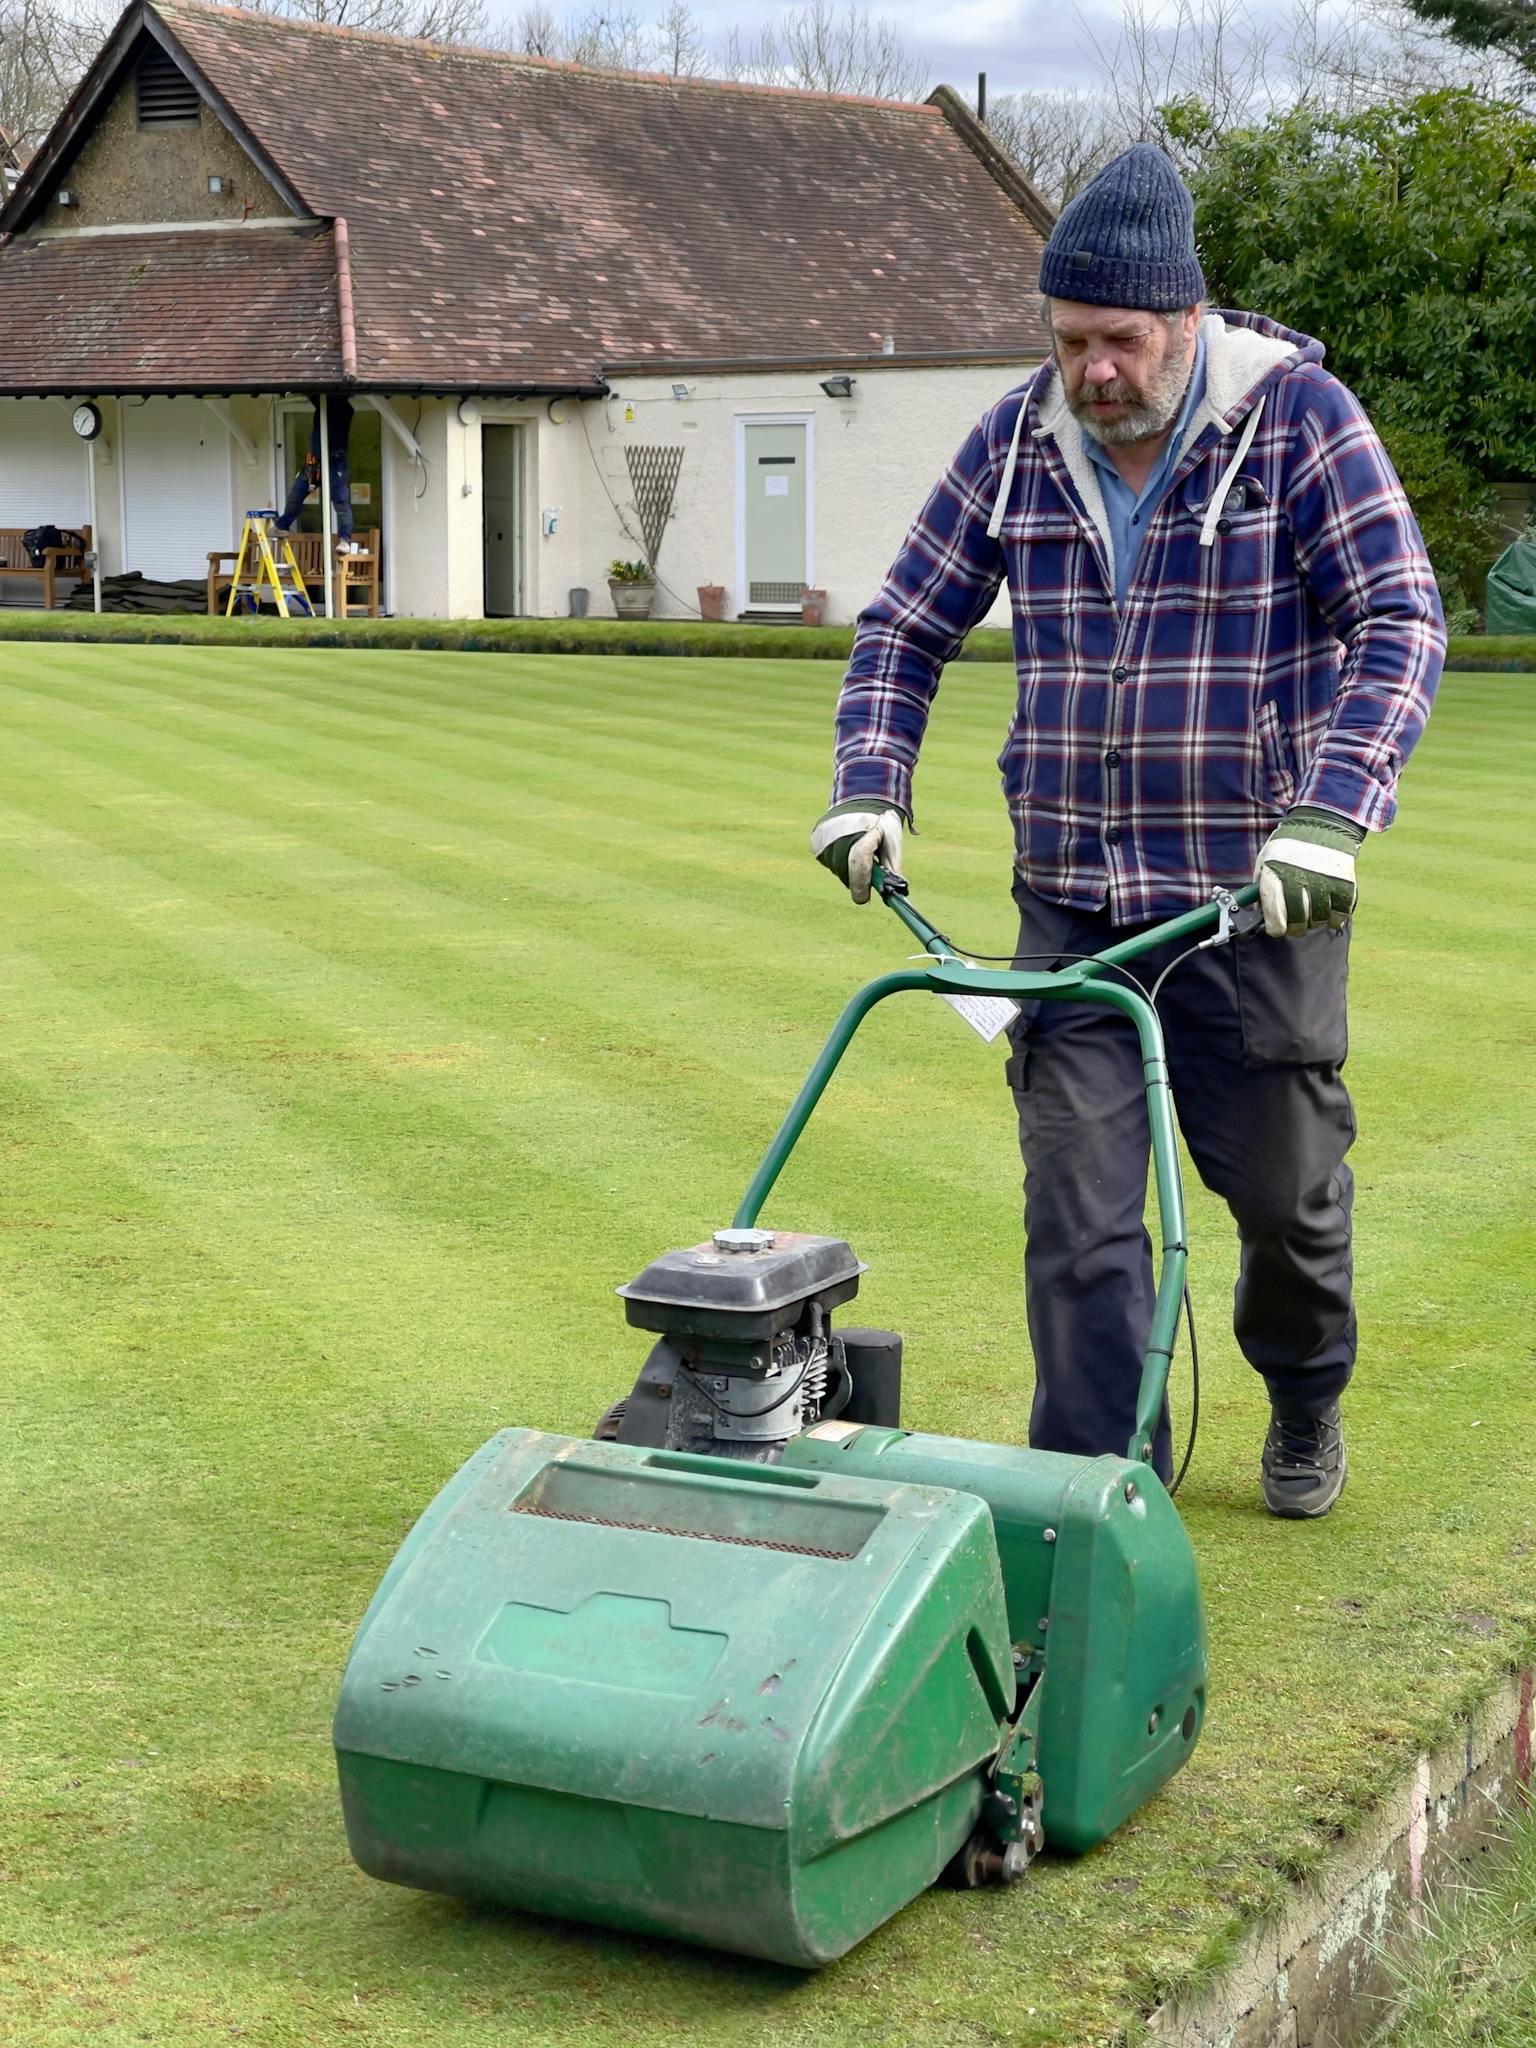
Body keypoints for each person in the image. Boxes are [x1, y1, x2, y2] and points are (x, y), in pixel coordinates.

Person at [811, 145, 1444, 1518]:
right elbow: (906, 622)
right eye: (1068, 339)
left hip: (1247, 908)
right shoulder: (1020, 440)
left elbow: (1399, 619)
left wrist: (1330, 817)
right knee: (1082, 1230)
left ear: (1187, 321)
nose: (1092, 371)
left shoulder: (1298, 422)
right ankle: (1103, 1511)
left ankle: (1304, 1391)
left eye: (1120, 341)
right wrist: (871, 781)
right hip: (1079, 913)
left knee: (1286, 1203)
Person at [275, 394, 365, 555]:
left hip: (335, 462)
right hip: (315, 463)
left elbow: (330, 402)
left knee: (341, 502)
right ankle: (282, 526)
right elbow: (315, 395)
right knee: (296, 494)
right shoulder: (322, 403)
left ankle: (345, 539)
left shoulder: (344, 410)